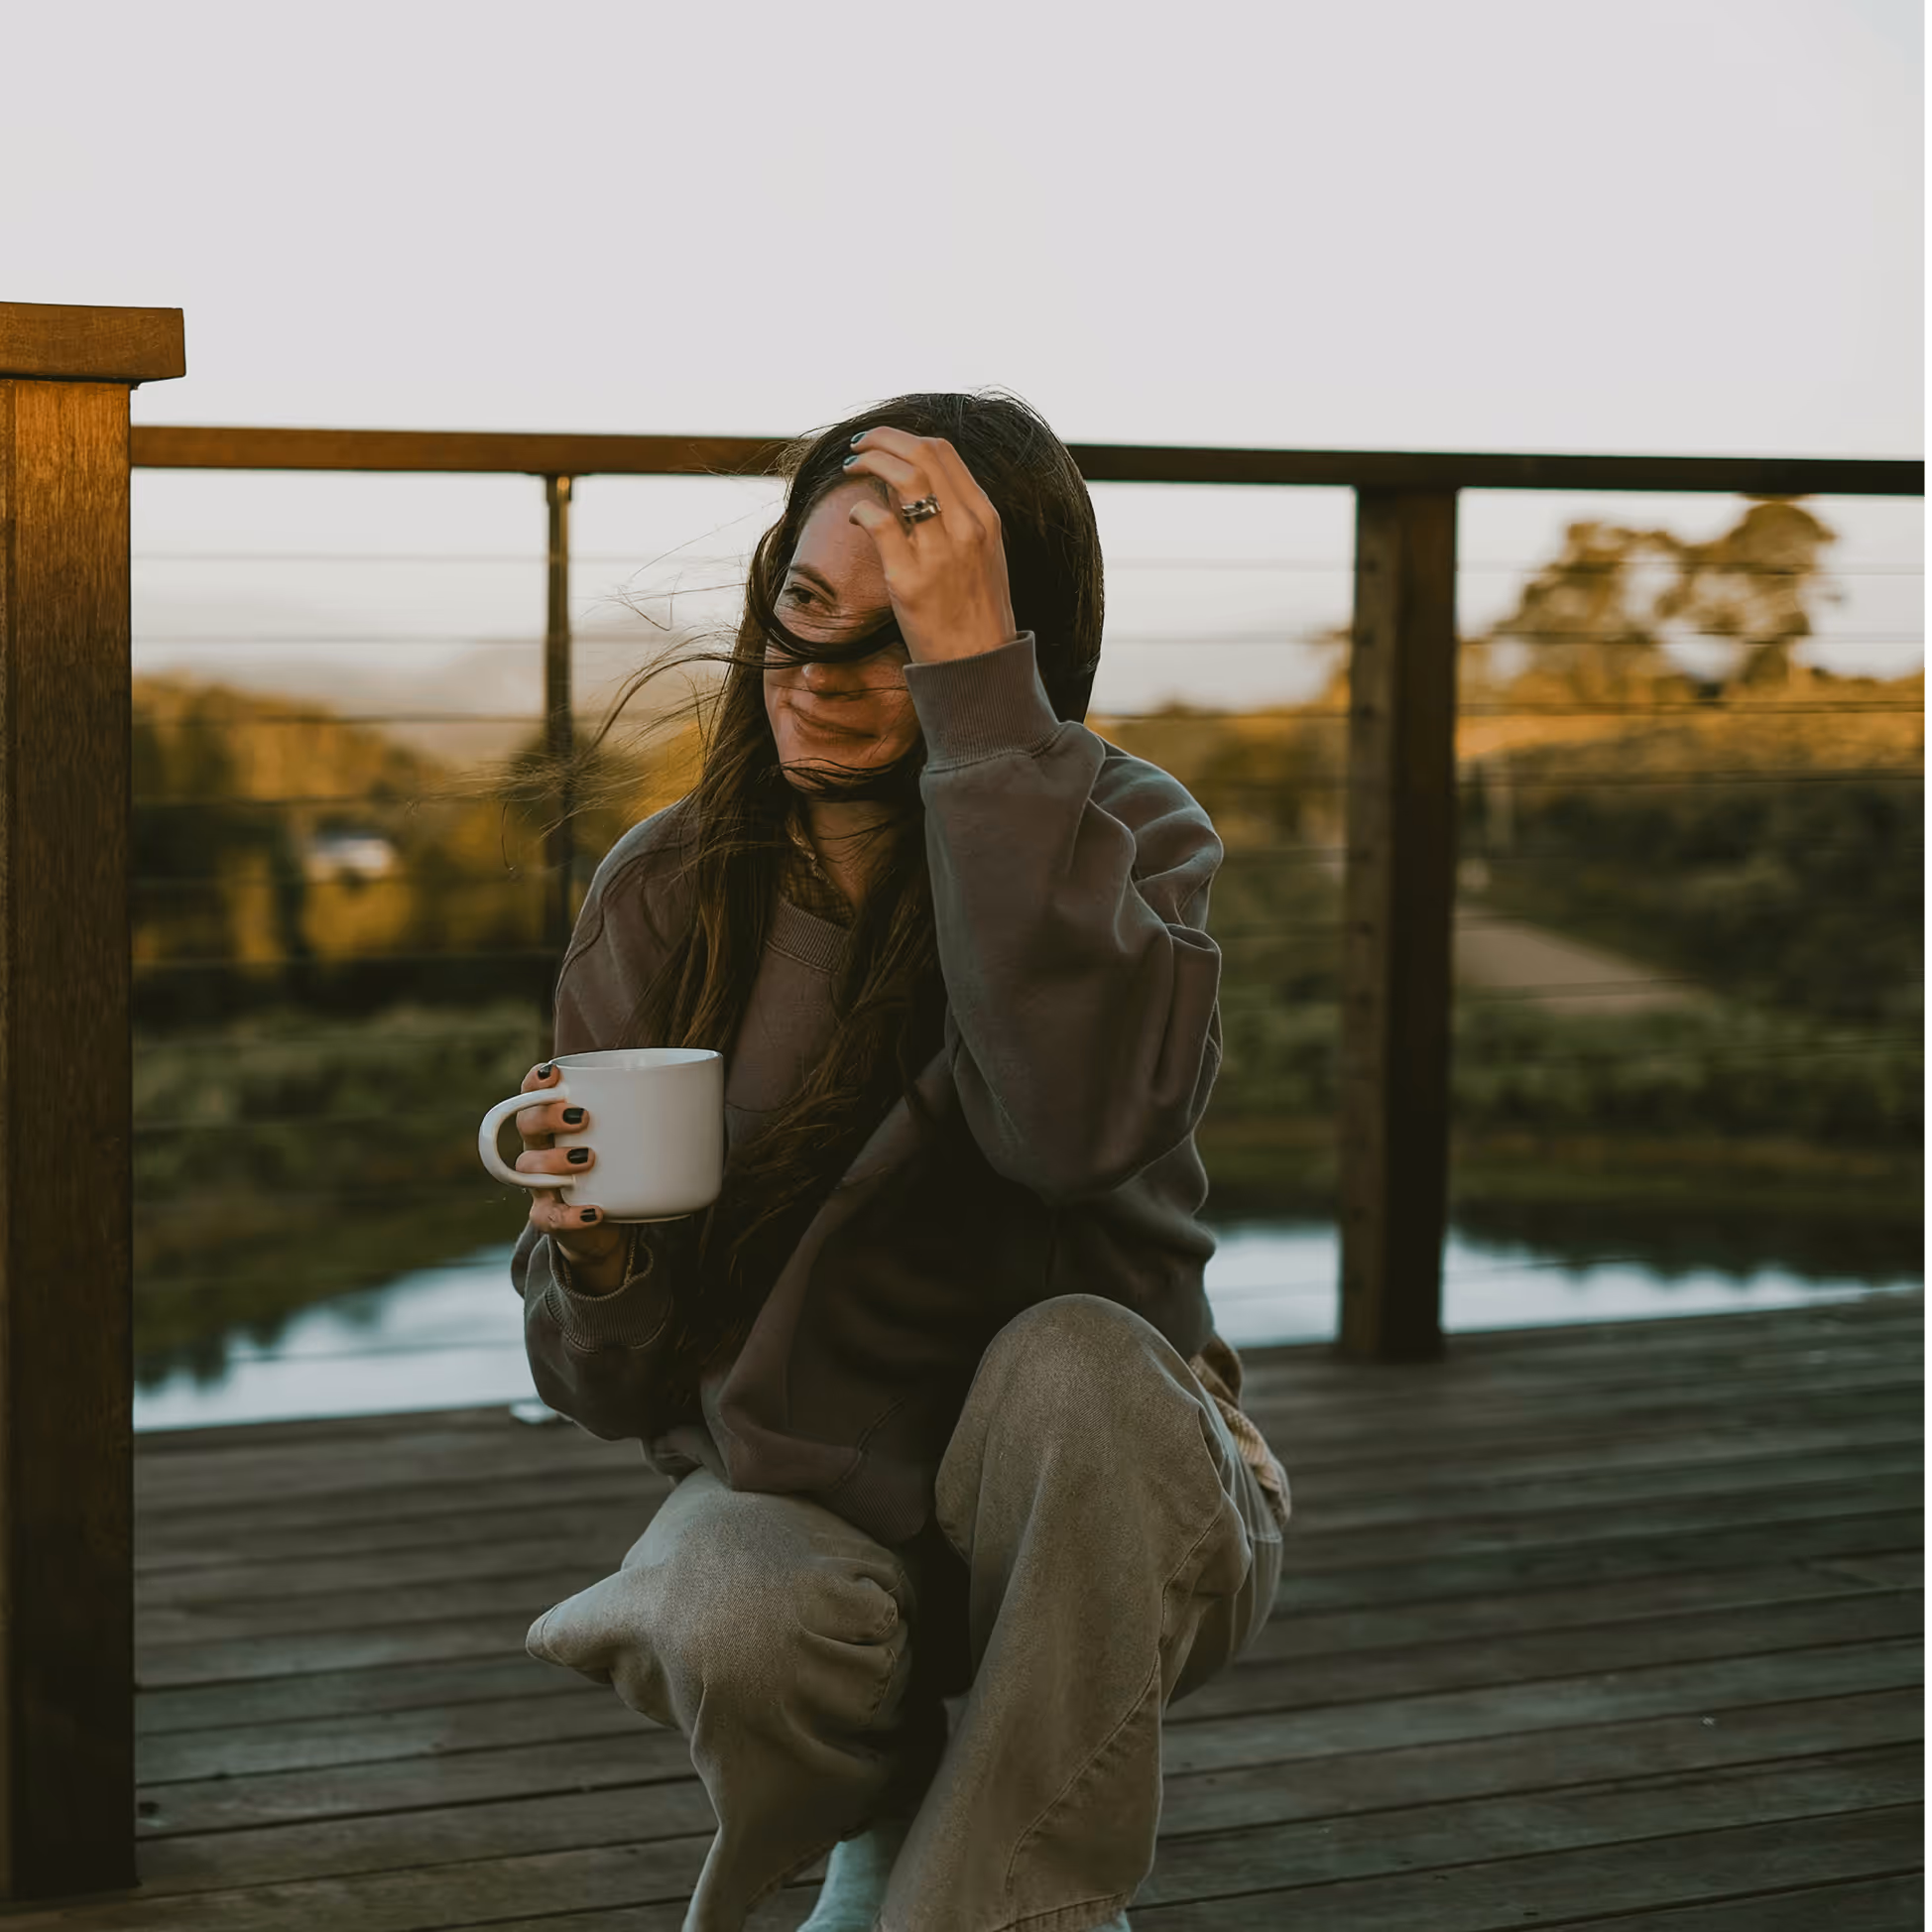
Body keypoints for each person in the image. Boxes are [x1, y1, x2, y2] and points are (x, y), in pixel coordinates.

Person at [509, 393, 1289, 1932]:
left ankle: (974, 1898)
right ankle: (896, 1821)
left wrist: (986, 722)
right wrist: (593, 1258)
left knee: (1072, 1357)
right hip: (806, 1502)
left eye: (906, 637)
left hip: (1099, 1508)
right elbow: (604, 1391)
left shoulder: (1130, 839)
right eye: (801, 609)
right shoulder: (665, 891)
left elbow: (1058, 1135)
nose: (820, 676)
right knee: (725, 1612)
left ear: (1011, 648)